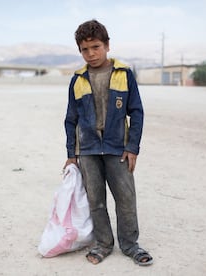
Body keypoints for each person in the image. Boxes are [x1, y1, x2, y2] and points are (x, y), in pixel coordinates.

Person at [63, 19, 153, 266]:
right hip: (88, 150)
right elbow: (71, 119)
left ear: (107, 45)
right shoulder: (78, 79)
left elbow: (136, 112)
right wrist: (72, 154)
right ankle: (103, 244)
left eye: (96, 47)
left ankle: (130, 245)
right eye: (85, 49)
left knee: (125, 198)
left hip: (118, 149)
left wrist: (132, 147)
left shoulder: (124, 74)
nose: (91, 54)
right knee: (96, 200)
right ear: (80, 50)